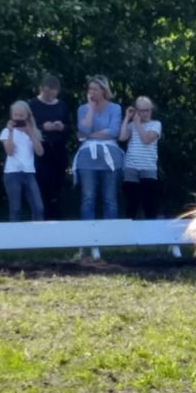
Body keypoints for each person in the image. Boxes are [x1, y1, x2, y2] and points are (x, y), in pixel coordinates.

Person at [73, 75, 124, 259]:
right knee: (88, 197)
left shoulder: (115, 108)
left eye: (95, 89)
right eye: (90, 89)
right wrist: (91, 109)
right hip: (87, 157)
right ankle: (88, 238)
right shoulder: (83, 109)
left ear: (104, 90)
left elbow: (114, 132)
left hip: (110, 156)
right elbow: (83, 129)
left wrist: (90, 135)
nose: (92, 92)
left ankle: (110, 239)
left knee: (109, 198)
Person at [28, 72, 71, 220]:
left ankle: (58, 217)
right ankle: (44, 217)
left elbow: (69, 127)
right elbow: (27, 126)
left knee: (58, 184)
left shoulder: (61, 105)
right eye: (47, 93)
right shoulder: (32, 104)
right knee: (44, 183)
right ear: (42, 89)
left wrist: (61, 127)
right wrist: (42, 127)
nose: (51, 96)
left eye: (53, 93)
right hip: (41, 149)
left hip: (58, 149)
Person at [0, 100, 44, 221]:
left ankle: (38, 234)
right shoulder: (6, 132)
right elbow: (9, 151)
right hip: (12, 173)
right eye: (16, 115)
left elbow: (40, 152)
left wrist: (31, 134)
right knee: (16, 208)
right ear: (12, 116)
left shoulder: (33, 132)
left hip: (29, 173)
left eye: (21, 116)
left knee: (38, 207)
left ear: (27, 117)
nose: (18, 118)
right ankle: (13, 237)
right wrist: (11, 131)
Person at [119, 96, 161, 220]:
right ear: (137, 111)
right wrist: (127, 118)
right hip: (131, 166)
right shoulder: (132, 125)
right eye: (142, 110)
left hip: (148, 167)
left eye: (148, 110)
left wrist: (137, 123)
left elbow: (146, 139)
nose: (146, 113)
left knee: (149, 203)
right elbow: (122, 137)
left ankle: (151, 233)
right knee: (132, 203)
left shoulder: (156, 124)